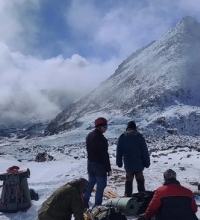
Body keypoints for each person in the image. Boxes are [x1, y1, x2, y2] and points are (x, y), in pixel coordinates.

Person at [83, 117, 111, 208]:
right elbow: (104, 155)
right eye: (105, 126)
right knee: (101, 186)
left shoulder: (89, 136)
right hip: (99, 166)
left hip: (90, 164)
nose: (106, 128)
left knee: (91, 184)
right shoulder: (102, 139)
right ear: (99, 126)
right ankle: (97, 206)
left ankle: (84, 201)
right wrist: (108, 169)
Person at [116, 121, 150, 196]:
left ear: (127, 128)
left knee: (128, 183)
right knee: (140, 183)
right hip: (139, 165)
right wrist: (147, 163)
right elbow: (145, 151)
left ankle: (128, 199)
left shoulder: (122, 137)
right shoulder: (139, 137)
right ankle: (142, 198)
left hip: (128, 165)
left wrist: (119, 163)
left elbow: (119, 151)